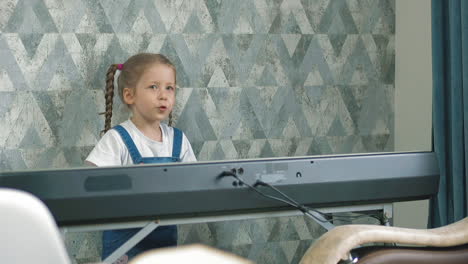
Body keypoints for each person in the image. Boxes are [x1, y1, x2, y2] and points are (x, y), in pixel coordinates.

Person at [85, 53, 196, 263]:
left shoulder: (179, 141)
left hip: (163, 250)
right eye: (154, 87)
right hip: (124, 249)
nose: (163, 95)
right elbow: (90, 182)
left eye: (169, 88)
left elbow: (195, 184)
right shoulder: (117, 139)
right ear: (129, 95)